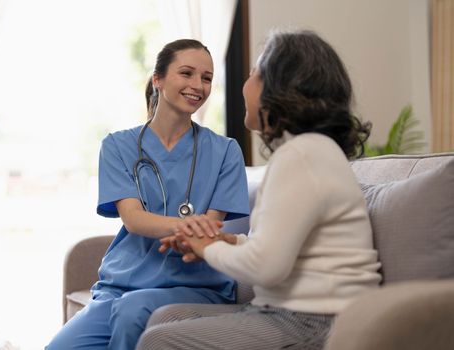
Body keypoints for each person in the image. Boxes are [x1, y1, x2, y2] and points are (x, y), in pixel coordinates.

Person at [136, 29, 382, 350]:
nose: (245, 85)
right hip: (290, 310)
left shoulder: (302, 155)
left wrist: (207, 247)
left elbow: (266, 267)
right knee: (166, 318)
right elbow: (280, 248)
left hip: (319, 319)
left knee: (159, 340)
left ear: (280, 88)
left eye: (254, 74)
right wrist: (228, 241)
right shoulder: (306, 151)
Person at [46, 39, 249, 350]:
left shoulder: (226, 151)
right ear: (158, 79)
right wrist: (189, 227)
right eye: (187, 73)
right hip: (121, 286)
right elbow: (133, 219)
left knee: (133, 312)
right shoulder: (118, 146)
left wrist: (194, 230)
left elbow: (210, 230)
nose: (198, 85)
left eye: (206, 78)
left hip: (197, 285)